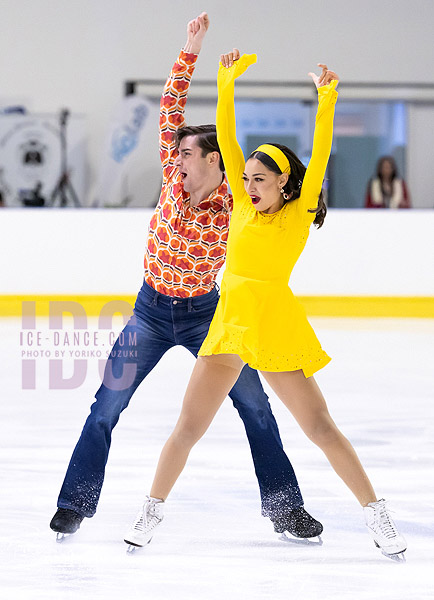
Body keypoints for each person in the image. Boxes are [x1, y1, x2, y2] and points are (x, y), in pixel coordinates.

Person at [124, 48, 407, 560]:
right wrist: (225, 81)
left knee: (320, 427)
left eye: (260, 179)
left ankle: (376, 513)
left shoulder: (296, 216)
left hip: (273, 324)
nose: (249, 186)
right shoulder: (239, 206)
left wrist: (328, 97)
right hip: (230, 324)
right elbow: (227, 139)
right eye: (246, 178)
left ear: (283, 182)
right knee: (189, 427)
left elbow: (319, 152)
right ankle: (150, 511)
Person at [50, 13, 323, 541]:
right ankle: (74, 504)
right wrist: (191, 47)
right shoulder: (174, 184)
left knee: (256, 407)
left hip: (210, 317)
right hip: (150, 313)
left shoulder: (239, 204)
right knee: (107, 404)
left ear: (214, 160)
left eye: (185, 155)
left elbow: (283, 212)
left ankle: (286, 507)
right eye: (174, 155)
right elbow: (172, 103)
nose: (175, 163)